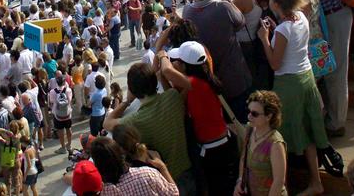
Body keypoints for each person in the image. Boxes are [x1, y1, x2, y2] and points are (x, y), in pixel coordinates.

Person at [278, 0, 352, 138]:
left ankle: (337, 123)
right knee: (324, 72)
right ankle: (325, 118)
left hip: (335, 15)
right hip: (321, 19)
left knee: (336, 72)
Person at [258, 0, 329, 195]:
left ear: (277, 4)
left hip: (288, 84)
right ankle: (315, 181)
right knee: (307, 132)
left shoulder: (282, 29)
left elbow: (275, 63)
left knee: (281, 137)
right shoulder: (300, 16)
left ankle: (283, 186)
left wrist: (264, 38)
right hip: (306, 78)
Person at [157, 41, 239, 196]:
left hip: (213, 150)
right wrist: (162, 79)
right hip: (222, 144)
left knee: (218, 189)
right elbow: (176, 102)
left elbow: (167, 71)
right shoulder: (204, 79)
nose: (174, 63)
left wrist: (162, 56)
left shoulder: (193, 83)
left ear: (184, 66)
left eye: (177, 61)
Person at [102, 63, 193, 194]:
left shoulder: (134, 121)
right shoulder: (173, 97)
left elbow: (107, 123)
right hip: (188, 172)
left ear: (133, 90)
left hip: (165, 181)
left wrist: (127, 101)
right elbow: (169, 88)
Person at [182, 0, 251, 122]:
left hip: (210, 86)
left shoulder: (187, 12)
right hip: (236, 80)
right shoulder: (223, 7)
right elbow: (241, 20)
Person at [234, 91, 287, 196]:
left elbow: (278, 181)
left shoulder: (275, 144)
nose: (249, 116)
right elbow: (243, 159)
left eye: (254, 114)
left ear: (269, 116)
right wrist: (239, 181)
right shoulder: (250, 130)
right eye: (248, 111)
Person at [89, 137, 178, 196]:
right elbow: (174, 193)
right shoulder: (147, 174)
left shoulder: (105, 192)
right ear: (121, 153)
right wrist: (163, 168)